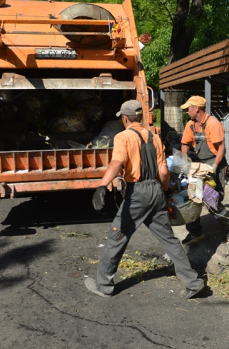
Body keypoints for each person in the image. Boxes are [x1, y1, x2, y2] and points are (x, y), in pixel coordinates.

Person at [85, 100, 205, 299]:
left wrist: (101, 185)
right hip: (156, 191)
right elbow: (164, 171)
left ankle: (103, 285)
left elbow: (117, 162)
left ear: (125, 118)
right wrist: (164, 192)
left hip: (137, 194)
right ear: (140, 117)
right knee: (169, 240)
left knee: (116, 238)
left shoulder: (123, 137)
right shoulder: (155, 137)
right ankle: (193, 282)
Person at [180, 95, 229, 245]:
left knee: (212, 200)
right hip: (199, 166)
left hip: (214, 164)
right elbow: (185, 144)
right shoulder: (190, 125)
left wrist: (214, 167)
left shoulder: (213, 124)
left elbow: (221, 148)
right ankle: (195, 232)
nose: (187, 111)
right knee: (194, 198)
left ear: (196, 108)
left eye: (189, 108)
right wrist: (184, 160)